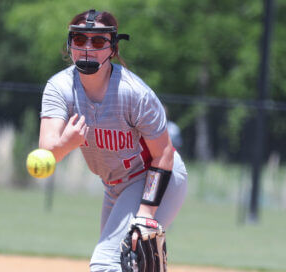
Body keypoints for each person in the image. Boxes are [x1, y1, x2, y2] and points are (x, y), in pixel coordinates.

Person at [39, 9, 187, 272]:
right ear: (69, 44)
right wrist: (66, 144)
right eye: (79, 39)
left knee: (105, 263)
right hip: (114, 186)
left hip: (155, 177)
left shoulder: (133, 93)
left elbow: (163, 154)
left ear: (113, 47)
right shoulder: (59, 88)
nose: (87, 48)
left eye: (97, 41)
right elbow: (47, 151)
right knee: (122, 265)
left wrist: (146, 213)